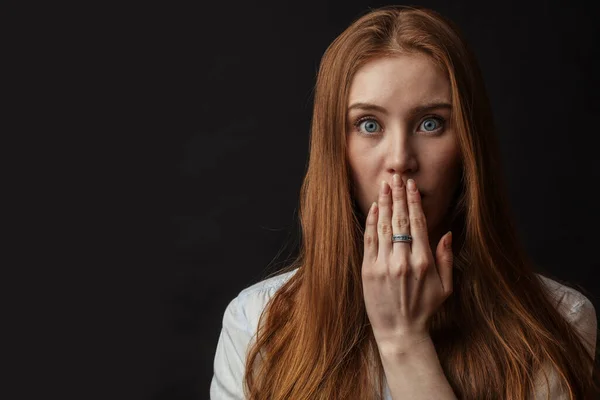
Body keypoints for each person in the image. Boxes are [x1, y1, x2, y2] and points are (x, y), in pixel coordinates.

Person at [210, 5, 599, 399]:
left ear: (468, 145)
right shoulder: (256, 324)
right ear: (335, 147)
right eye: (369, 125)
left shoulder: (558, 323)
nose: (400, 159)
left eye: (431, 123)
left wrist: (404, 342)